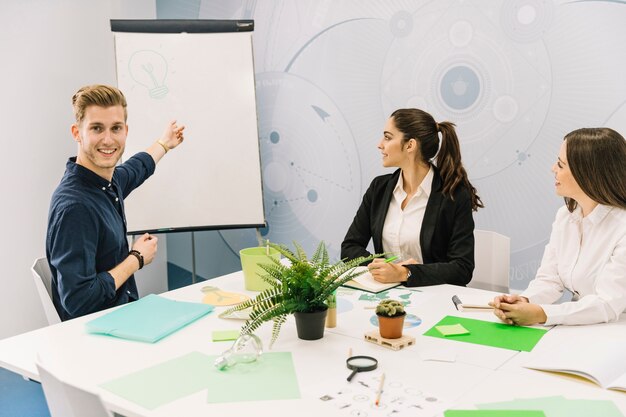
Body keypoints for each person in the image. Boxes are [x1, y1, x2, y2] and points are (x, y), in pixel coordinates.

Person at [46, 84, 185, 321]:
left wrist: (163, 144)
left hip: (122, 317)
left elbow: (136, 168)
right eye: (97, 128)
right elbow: (78, 301)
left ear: (126, 131)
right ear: (77, 133)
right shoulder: (75, 207)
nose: (108, 140)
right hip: (98, 338)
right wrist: (136, 259)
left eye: (116, 128)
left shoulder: (105, 183)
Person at [492, 127, 626, 326]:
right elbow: (550, 279)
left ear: (587, 173)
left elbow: (607, 303)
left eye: (561, 165)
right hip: (582, 326)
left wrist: (541, 314)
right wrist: (524, 301)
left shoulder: (621, 227)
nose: (553, 169)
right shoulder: (566, 217)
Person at [341, 108, 483, 287]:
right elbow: (349, 248)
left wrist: (405, 273)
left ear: (410, 145)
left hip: (434, 298)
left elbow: (462, 268)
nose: (380, 144)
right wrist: (379, 268)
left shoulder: (453, 195)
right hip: (385, 296)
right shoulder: (379, 188)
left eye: (387, 137)